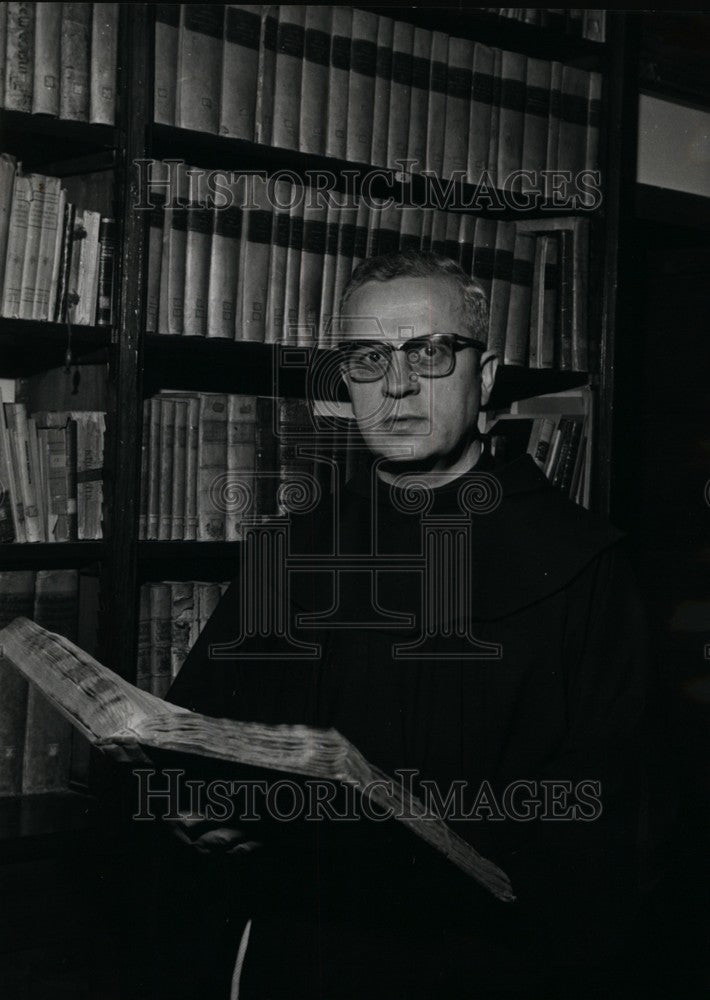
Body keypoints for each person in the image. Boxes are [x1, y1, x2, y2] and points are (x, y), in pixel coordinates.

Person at [125, 252, 652, 1000]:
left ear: (488, 375)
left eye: (429, 352)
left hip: (484, 960)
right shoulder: (294, 547)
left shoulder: (579, 563)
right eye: (370, 358)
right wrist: (190, 804)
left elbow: (605, 812)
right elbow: (205, 728)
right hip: (297, 944)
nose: (398, 385)